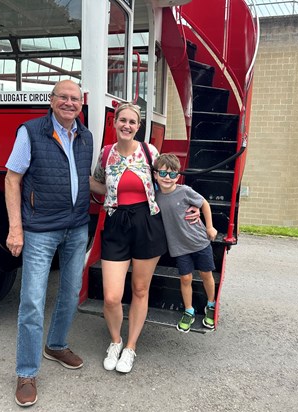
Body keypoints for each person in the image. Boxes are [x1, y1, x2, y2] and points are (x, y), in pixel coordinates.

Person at [90, 103, 199, 373]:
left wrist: (193, 204)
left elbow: (168, 181)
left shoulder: (150, 152)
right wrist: (72, 178)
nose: (127, 125)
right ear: (114, 123)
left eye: (132, 122)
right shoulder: (106, 155)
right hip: (116, 223)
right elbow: (100, 185)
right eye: (122, 120)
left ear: (139, 126)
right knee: (112, 296)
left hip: (147, 223)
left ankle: (131, 347)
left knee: (140, 289)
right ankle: (115, 341)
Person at [5, 80, 93, 407]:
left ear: (80, 105)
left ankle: (55, 345)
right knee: (31, 300)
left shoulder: (86, 136)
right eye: (63, 97)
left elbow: (83, 179)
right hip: (40, 229)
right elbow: (12, 178)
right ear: (52, 100)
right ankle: (27, 372)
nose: (69, 103)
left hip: (76, 227)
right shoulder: (30, 132)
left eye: (75, 99)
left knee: (70, 292)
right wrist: (16, 229)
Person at [153, 153, 218, 333]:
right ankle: (189, 311)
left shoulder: (185, 191)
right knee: (185, 278)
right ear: (156, 174)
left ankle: (211, 305)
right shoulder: (155, 197)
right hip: (179, 247)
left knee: (206, 274)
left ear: (178, 176)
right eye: (164, 174)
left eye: (173, 174)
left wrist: (210, 227)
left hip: (199, 241)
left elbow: (204, 203)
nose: (168, 178)